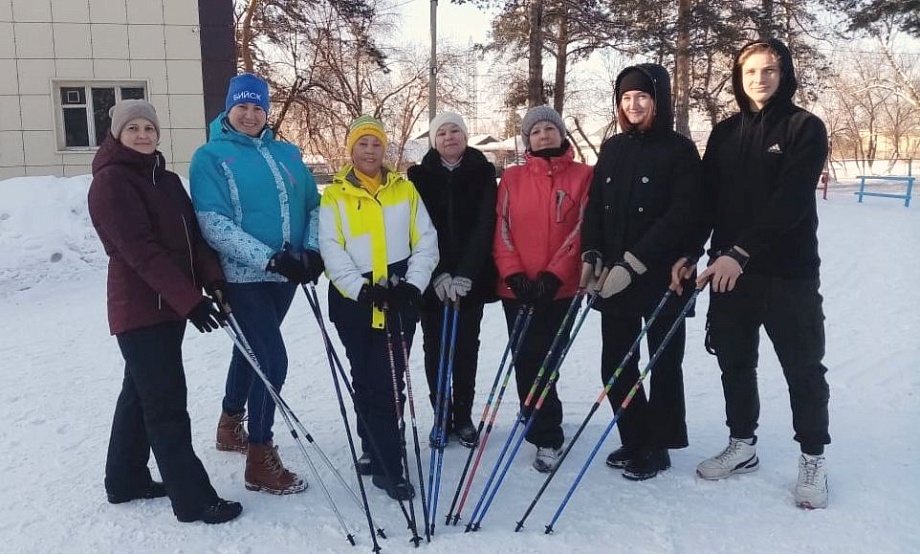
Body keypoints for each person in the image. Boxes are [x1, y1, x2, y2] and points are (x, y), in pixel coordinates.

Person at [89, 99, 242, 524]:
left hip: (168, 309)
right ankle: (193, 500)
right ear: (117, 134)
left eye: (149, 128)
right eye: (133, 128)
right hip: (140, 311)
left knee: (140, 394)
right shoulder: (111, 183)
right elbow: (141, 251)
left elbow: (194, 237)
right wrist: (189, 300)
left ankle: (125, 479)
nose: (142, 134)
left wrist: (213, 281)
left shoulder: (167, 180)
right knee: (167, 404)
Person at [692, 39, 831, 509]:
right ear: (738, 75)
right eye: (750, 71)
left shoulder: (804, 127)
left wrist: (740, 251)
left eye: (769, 70)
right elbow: (705, 202)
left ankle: (812, 457)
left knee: (803, 367)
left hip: (787, 272)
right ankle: (742, 443)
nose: (759, 78)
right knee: (735, 361)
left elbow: (789, 202)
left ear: (784, 73)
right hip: (731, 274)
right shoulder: (724, 133)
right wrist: (690, 253)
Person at [190, 73, 323, 495]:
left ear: (267, 111)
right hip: (243, 277)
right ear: (229, 110)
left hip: (285, 277)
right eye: (242, 107)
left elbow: (314, 205)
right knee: (271, 360)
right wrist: (269, 257)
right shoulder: (210, 156)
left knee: (249, 350)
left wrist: (312, 250)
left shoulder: (287, 153)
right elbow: (213, 223)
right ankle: (259, 458)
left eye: (257, 107)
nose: (249, 115)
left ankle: (231, 422)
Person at [581, 64, 703, 481]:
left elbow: (683, 214)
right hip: (613, 275)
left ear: (658, 100)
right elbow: (595, 204)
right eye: (625, 98)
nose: (632, 105)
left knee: (664, 364)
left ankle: (659, 445)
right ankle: (634, 435)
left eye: (642, 97)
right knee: (616, 362)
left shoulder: (679, 150)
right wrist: (592, 254)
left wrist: (633, 262)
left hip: (661, 274)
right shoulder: (612, 148)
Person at [319, 115, 439, 500]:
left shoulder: (404, 189)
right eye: (362, 144)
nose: (369, 151)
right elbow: (331, 247)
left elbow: (426, 240)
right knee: (365, 376)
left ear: (385, 148)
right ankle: (372, 444)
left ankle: (390, 465)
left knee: (388, 380)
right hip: (355, 299)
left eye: (376, 144)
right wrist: (360, 289)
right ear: (351, 149)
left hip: (399, 293)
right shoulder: (335, 194)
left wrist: (413, 285)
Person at [492, 106, 593, 473]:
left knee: (547, 359)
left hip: (560, 289)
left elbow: (582, 228)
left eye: (550, 128)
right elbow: (501, 228)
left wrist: (554, 274)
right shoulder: (512, 179)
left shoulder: (584, 176)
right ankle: (535, 419)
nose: (543, 135)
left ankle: (548, 435)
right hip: (517, 288)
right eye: (535, 132)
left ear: (562, 133)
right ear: (527, 141)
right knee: (525, 359)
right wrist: (513, 272)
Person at [407, 111, 498, 449]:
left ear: (465, 136)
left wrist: (465, 274)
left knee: (465, 349)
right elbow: (419, 229)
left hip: (470, 280)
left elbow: (485, 225)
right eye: (442, 132)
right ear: (434, 140)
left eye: (455, 131)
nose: (449, 137)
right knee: (436, 349)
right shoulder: (418, 176)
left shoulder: (483, 172)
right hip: (432, 279)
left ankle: (463, 416)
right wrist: (440, 272)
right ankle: (441, 416)